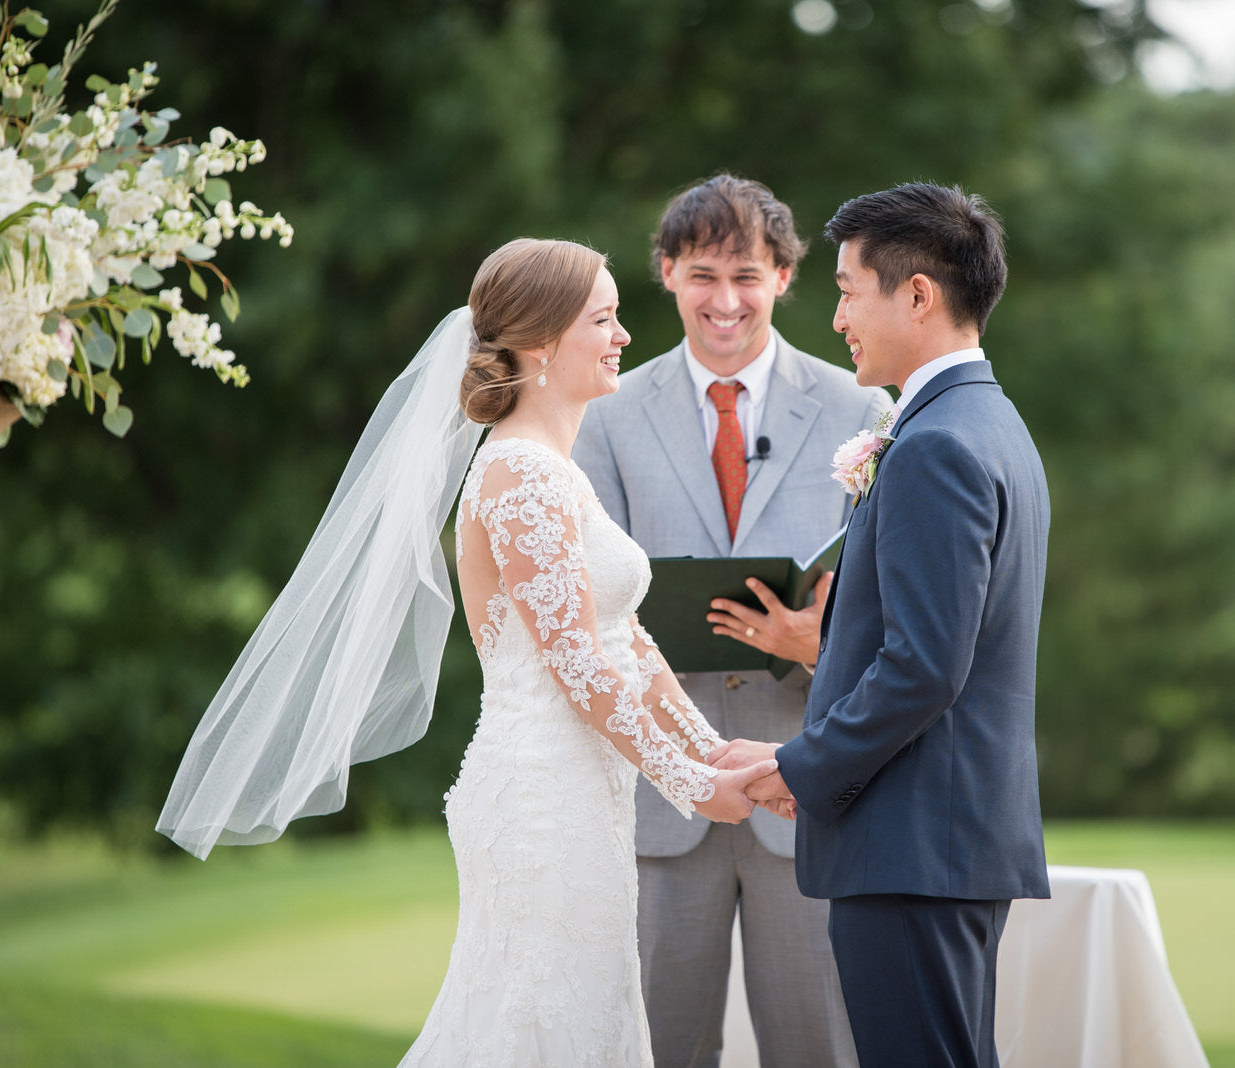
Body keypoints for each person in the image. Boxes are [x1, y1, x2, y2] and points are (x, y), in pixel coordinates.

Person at [158, 238, 777, 1066]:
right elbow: (578, 667)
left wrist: (713, 749)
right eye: (605, 317)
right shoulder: (520, 474)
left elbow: (625, 640)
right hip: (539, 799)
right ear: (543, 343)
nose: (626, 334)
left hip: (585, 794)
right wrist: (694, 785)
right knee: (530, 1025)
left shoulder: (557, 469)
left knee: (585, 1019)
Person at [711, 184, 1052, 1067]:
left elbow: (923, 669)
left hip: (915, 852)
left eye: (847, 289)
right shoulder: (985, 422)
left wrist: (797, 764)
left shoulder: (938, 444)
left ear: (917, 295)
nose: (835, 318)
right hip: (938, 842)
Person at [573, 176, 887, 1066]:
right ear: (667, 274)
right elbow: (592, 611)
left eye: (747, 275)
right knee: (661, 1049)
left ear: (786, 277)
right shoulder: (607, 411)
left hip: (808, 791)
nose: (725, 300)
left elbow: (895, 620)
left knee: (817, 1049)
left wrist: (814, 648)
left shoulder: (861, 408)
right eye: (703, 274)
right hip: (661, 800)